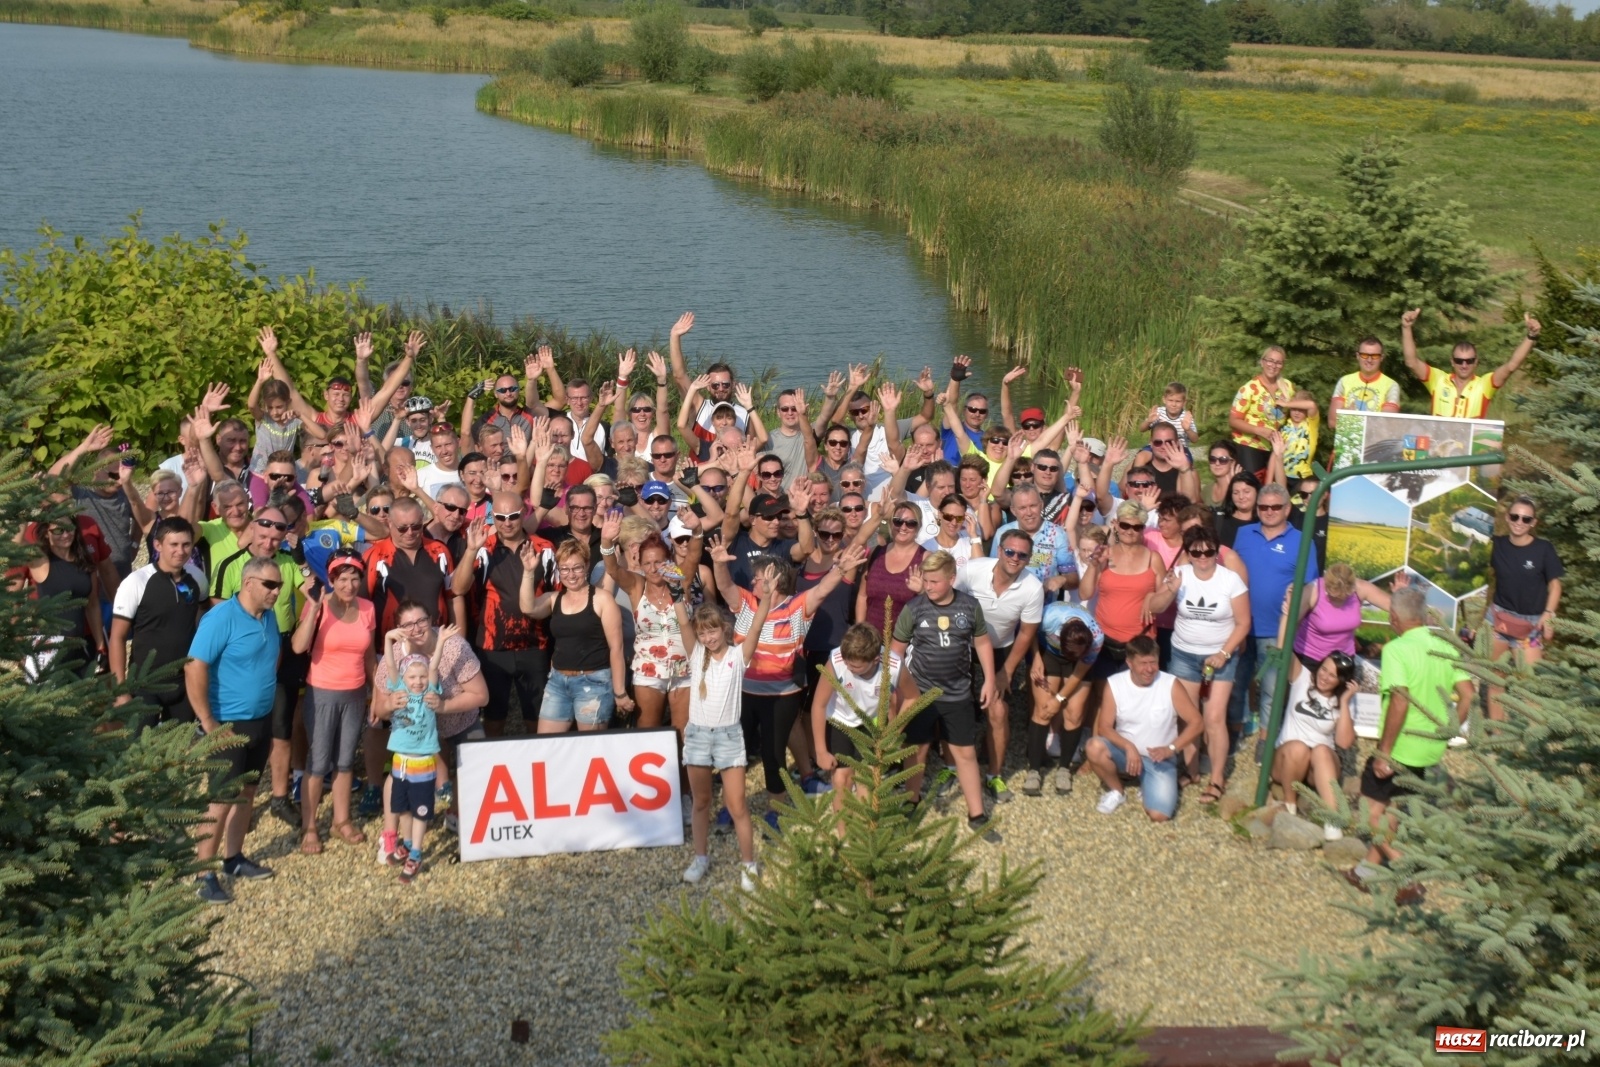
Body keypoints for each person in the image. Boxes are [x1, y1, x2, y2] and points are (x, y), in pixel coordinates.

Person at [711, 544, 862, 817]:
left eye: (758, 578)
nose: (753, 582)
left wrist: (841, 568)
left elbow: (823, 589)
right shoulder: (746, 603)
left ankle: (775, 811)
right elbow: (724, 586)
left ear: (775, 580)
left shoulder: (796, 607)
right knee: (734, 753)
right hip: (743, 693)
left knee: (773, 754)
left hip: (782, 697)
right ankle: (730, 808)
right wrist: (719, 563)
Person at [1347, 586, 1472, 898]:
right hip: (1429, 747)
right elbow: (1469, 694)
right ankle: (1364, 872)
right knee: (1390, 811)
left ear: (1394, 618)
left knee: (1370, 812)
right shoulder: (1444, 646)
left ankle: (1407, 878)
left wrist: (1384, 752)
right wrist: (1449, 728)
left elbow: (1400, 701)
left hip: (1400, 747)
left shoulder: (1397, 650)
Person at [186, 556, 283, 904]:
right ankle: (203, 873)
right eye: (270, 585)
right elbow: (194, 667)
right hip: (228, 722)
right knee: (220, 799)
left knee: (247, 793)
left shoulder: (268, 618)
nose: (276, 591)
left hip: (260, 718)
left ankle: (234, 858)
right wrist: (209, 723)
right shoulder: (221, 618)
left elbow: (270, 657)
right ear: (248, 583)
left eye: (279, 586)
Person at [890, 551, 1002, 841]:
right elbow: (895, 653)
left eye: (935, 581)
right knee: (917, 750)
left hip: (958, 693)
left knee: (965, 753)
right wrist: (895, 692)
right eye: (925, 581)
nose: (928, 586)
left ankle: (977, 814)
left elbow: (982, 642)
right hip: (921, 694)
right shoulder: (913, 609)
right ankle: (911, 803)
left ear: (952, 579)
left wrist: (989, 679)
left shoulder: (969, 606)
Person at [210, 504, 307, 828]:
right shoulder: (233, 565)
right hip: (243, 655)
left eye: (277, 535)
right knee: (240, 732)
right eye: (264, 534)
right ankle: (235, 803)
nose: (269, 541)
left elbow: (314, 591)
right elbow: (218, 615)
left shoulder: (288, 562)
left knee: (280, 727)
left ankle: (279, 797)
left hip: (280, 642)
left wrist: (302, 558)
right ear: (252, 528)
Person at [1152, 526, 1250, 804]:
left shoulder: (1230, 580)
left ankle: (1217, 779)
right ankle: (1192, 771)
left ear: (1217, 551)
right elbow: (1156, 607)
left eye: (1208, 551)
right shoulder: (1180, 575)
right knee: (1188, 717)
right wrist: (1170, 590)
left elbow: (1243, 623)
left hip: (1219, 657)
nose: (1203, 556)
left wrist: (1224, 653)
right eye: (1196, 551)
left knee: (1214, 719)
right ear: (1188, 552)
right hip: (1184, 654)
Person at [375, 600, 489, 834]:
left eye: (421, 621)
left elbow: (481, 696)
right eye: (407, 625)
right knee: (401, 772)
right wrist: (389, 703)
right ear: (398, 628)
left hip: (459, 719)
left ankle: (457, 811)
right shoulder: (394, 656)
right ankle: (393, 831)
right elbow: (379, 710)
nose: (415, 629)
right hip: (416, 732)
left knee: (476, 759)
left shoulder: (454, 646)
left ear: (431, 620)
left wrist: (444, 706)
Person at [289, 548, 374, 855]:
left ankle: (341, 820)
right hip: (322, 691)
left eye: (354, 578)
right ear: (331, 579)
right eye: (342, 578)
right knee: (319, 761)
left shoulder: (367, 608)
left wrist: (377, 692)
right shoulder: (319, 605)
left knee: (345, 760)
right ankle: (309, 826)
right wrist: (312, 609)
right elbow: (299, 646)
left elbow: (367, 655)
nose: (349, 585)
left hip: (355, 693)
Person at [677, 599, 765, 892]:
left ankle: (748, 863)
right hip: (699, 735)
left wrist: (766, 597)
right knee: (701, 802)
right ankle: (700, 857)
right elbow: (681, 619)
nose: (708, 638)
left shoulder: (738, 656)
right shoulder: (696, 653)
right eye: (702, 633)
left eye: (712, 631)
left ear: (724, 629)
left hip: (728, 736)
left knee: (737, 804)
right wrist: (676, 588)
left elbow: (756, 626)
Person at [454, 494, 557, 737]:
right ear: (493, 517)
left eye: (513, 516)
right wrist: (471, 550)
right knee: (493, 718)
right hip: (492, 648)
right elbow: (458, 588)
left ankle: (539, 768)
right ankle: (493, 769)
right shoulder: (483, 549)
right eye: (500, 517)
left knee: (537, 718)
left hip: (536, 647)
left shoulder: (544, 549)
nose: (507, 523)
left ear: (523, 514)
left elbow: (558, 598)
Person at [960, 528, 1044, 802]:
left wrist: (1006, 672)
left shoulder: (1032, 588)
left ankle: (993, 775)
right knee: (951, 704)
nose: (1014, 558)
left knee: (997, 710)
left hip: (999, 650)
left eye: (1022, 554)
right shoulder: (973, 570)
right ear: (999, 550)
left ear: (1029, 558)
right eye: (1010, 551)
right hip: (961, 646)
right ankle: (950, 764)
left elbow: (1026, 633)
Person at [1082, 635, 1203, 822]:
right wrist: (1129, 747)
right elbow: (1105, 727)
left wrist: (1171, 749)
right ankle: (1117, 791)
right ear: (1129, 663)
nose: (1149, 669)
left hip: (1159, 758)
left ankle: (1148, 783)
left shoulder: (1170, 684)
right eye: (1143, 663)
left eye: (1153, 663)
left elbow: (1197, 722)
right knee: (1094, 746)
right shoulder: (1115, 683)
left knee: (1159, 815)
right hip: (1126, 754)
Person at [1229, 482, 1316, 742]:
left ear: (1287, 509)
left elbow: (1309, 584)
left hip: (1276, 630)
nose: (1268, 511)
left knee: (1272, 690)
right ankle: (1236, 734)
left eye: (1275, 507)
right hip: (1241, 626)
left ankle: (1266, 744)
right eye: (1263, 506)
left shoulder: (1302, 541)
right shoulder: (1243, 534)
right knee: (1237, 685)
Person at [377, 622, 458, 884]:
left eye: (421, 677)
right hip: (400, 762)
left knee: (421, 811)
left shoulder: (430, 692)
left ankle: (416, 852)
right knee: (401, 809)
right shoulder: (398, 688)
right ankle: (408, 841)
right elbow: (390, 665)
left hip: (423, 763)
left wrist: (442, 640)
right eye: (412, 677)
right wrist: (389, 638)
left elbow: (433, 666)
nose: (418, 681)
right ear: (403, 678)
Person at [522, 539, 631, 733]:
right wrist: (529, 571)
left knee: (591, 747)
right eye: (564, 569)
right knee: (547, 744)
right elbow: (528, 607)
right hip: (557, 681)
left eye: (576, 568)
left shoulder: (602, 599)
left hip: (594, 682)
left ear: (587, 566)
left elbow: (616, 648)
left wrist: (620, 691)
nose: (571, 575)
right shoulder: (554, 598)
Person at [110, 516, 206, 727]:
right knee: (140, 751)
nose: (180, 551)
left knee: (178, 752)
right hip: (144, 683)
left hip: (184, 683)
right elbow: (117, 637)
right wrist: (120, 689)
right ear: (157, 544)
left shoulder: (197, 578)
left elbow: (206, 613)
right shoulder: (137, 581)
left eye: (186, 544)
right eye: (173, 544)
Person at [601, 519, 689, 730]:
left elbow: (693, 555)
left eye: (658, 562)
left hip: (685, 669)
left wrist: (696, 530)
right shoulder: (636, 586)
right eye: (647, 563)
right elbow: (613, 569)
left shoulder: (682, 580)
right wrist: (606, 541)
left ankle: (684, 765)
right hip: (648, 670)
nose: (653, 568)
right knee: (649, 729)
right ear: (640, 564)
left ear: (668, 561)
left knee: (685, 732)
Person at [811, 622, 902, 827]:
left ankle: (863, 841)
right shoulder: (836, 661)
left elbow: (912, 698)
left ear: (875, 659)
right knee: (841, 780)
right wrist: (820, 751)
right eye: (848, 663)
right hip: (840, 721)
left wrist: (893, 733)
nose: (850, 668)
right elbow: (818, 705)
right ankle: (844, 844)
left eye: (857, 666)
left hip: (871, 725)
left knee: (866, 782)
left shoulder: (894, 665)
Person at [1485, 496, 1563, 719]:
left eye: (1525, 518)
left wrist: (1548, 614)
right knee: (1495, 680)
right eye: (1514, 516)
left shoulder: (1543, 549)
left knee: (1530, 686)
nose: (1519, 521)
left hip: (1530, 626)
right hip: (1497, 622)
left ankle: (1531, 744)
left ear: (1533, 523)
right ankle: (1498, 737)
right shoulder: (1496, 545)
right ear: (1507, 517)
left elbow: (1555, 585)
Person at [1271, 651, 1357, 841]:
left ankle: (1332, 820)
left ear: (1341, 681)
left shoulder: (1342, 701)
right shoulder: (1303, 679)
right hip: (1288, 760)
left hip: (1317, 768)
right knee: (1299, 748)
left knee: (1321, 750)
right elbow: (1283, 642)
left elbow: (1344, 742)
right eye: (1324, 669)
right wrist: (1290, 618)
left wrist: (1344, 702)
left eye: (1332, 675)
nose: (1324, 677)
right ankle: (1290, 806)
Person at [1078, 500, 1166, 680]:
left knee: (1137, 698)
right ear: (1116, 525)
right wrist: (1094, 565)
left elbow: (1163, 601)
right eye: (1125, 525)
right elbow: (1085, 594)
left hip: (1141, 644)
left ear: (1143, 529)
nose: (1130, 531)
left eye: (1136, 527)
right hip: (1104, 640)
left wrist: (1152, 595)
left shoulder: (1153, 559)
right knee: (1103, 696)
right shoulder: (1105, 554)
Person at [1022, 601, 1102, 796]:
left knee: (1074, 714)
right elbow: (1029, 629)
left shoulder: (1097, 638)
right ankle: (1033, 770)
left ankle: (1064, 768)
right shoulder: (1050, 617)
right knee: (1042, 710)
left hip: (1078, 665)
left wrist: (1059, 698)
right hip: (1049, 652)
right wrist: (1036, 658)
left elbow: (1079, 673)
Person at [1401, 308, 1540, 420]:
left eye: (1469, 361)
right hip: (1439, 450)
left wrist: (1531, 337)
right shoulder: (1438, 380)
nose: (1464, 365)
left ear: (1476, 362)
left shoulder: (1484, 384)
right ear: (1452, 362)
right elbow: (1411, 362)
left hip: (1470, 452)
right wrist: (1406, 328)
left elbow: (1511, 366)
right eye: (1459, 360)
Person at [14, 518, 106, 679]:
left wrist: (100, 645)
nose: (65, 534)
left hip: (79, 645)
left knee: (85, 700)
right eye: (58, 530)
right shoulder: (41, 561)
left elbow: (92, 605)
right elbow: (16, 542)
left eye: (69, 528)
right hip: (48, 647)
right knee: (45, 700)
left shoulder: (85, 562)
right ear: (47, 534)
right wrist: (23, 511)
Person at [1282, 562, 1398, 672]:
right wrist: (1282, 654)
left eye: (1345, 596)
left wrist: (1401, 593)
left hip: (1342, 661)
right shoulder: (1312, 591)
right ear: (1326, 586)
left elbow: (1397, 606)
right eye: (1334, 597)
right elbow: (1288, 624)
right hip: (1310, 659)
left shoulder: (1361, 588)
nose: (1340, 600)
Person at [989, 483, 1075, 597]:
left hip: (1045, 607)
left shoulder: (1057, 534)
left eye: (1033, 506)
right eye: (1022, 508)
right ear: (1014, 511)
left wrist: (1062, 579)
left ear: (1041, 505)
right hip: (1009, 603)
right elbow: (991, 571)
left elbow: (1074, 579)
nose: (1029, 513)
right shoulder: (1002, 533)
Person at [858, 500, 927, 630]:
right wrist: (860, 630)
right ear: (891, 523)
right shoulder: (876, 553)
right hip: (870, 641)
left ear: (918, 527)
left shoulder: (925, 558)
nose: (903, 527)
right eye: (898, 521)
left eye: (911, 523)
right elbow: (862, 595)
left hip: (906, 643)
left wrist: (922, 591)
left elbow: (937, 602)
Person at [1228, 346, 1294, 477]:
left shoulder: (1287, 387)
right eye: (1270, 360)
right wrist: (1259, 430)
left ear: (1283, 365)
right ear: (1262, 362)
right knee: (1252, 485)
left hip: (1276, 446)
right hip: (1249, 444)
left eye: (1278, 362)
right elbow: (1233, 420)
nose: (1273, 365)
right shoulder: (1249, 388)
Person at [1328, 336, 1401, 427]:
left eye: (1374, 356)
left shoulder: (1391, 385)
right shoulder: (1344, 381)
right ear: (1358, 356)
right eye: (1365, 355)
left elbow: (1388, 424)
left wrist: (1347, 416)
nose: (1369, 360)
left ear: (1381, 357)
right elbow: (1332, 422)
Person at [1142, 381, 1198, 455]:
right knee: (1141, 457)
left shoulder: (1186, 418)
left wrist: (1188, 429)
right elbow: (1142, 429)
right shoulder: (1159, 412)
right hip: (1157, 446)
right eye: (1170, 400)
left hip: (1179, 449)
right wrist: (1148, 421)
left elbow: (1195, 439)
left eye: (1178, 401)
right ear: (1164, 399)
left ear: (1184, 402)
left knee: (1186, 464)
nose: (1174, 404)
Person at [1216, 473, 1259, 549]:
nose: (1241, 497)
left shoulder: (1264, 521)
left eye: (1246, 491)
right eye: (1236, 493)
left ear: (1257, 492)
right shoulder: (1220, 519)